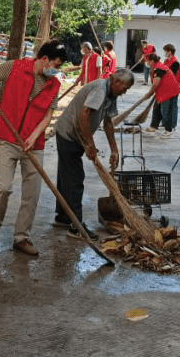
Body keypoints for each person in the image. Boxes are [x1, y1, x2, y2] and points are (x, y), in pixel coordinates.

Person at [0, 40, 68, 256]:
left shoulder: (54, 84)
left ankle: (21, 238)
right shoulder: (15, 67)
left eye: (59, 66)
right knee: (3, 188)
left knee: (32, 193)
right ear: (43, 59)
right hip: (8, 137)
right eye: (55, 64)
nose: (56, 69)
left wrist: (34, 136)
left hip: (33, 144)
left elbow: (48, 116)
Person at [53, 69, 135, 240]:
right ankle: (76, 227)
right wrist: (90, 144)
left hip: (76, 135)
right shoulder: (101, 89)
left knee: (66, 175)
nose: (124, 92)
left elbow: (108, 123)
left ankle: (62, 217)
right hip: (69, 133)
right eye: (125, 88)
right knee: (75, 179)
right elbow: (84, 115)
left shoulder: (111, 95)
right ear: (116, 82)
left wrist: (114, 149)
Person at [145, 45, 180, 136]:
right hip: (163, 89)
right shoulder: (159, 65)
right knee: (156, 107)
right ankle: (153, 127)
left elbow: (156, 82)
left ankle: (169, 130)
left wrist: (150, 92)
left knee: (166, 110)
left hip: (169, 90)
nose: (147, 63)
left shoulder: (159, 67)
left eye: (148, 61)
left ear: (152, 61)